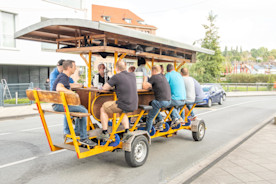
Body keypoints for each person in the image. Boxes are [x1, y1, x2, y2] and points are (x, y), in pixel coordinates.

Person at [52, 60, 96, 147]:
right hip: (59, 105)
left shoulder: (63, 76)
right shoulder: (63, 77)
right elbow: (59, 88)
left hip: (57, 104)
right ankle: (83, 138)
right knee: (83, 110)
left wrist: (81, 86)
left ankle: (78, 132)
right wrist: (72, 93)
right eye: (74, 67)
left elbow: (69, 85)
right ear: (69, 68)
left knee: (80, 108)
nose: (75, 69)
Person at [97, 61, 138, 141]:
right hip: (134, 104)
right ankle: (127, 131)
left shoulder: (116, 76)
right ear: (125, 66)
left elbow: (105, 88)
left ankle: (105, 133)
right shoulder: (132, 75)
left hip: (123, 104)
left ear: (116, 68)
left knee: (103, 108)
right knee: (122, 111)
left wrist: (112, 86)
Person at [142, 65, 171, 132]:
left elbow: (144, 86)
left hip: (161, 102)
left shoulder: (154, 77)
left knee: (150, 118)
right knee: (152, 103)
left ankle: (147, 134)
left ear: (153, 71)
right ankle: (160, 121)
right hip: (168, 101)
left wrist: (145, 78)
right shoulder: (163, 77)